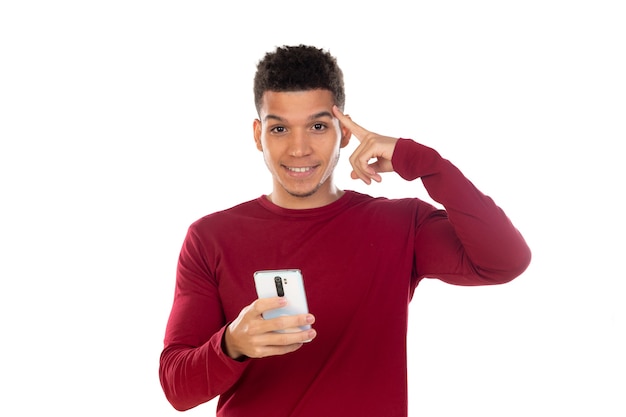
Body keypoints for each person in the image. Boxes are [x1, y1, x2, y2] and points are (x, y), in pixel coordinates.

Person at [159, 44, 531, 417]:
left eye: (318, 126)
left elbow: (505, 261)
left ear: (345, 131)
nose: (299, 148)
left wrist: (423, 162)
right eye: (280, 129)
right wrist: (231, 344)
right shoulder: (210, 238)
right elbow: (177, 388)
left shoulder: (401, 225)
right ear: (258, 135)